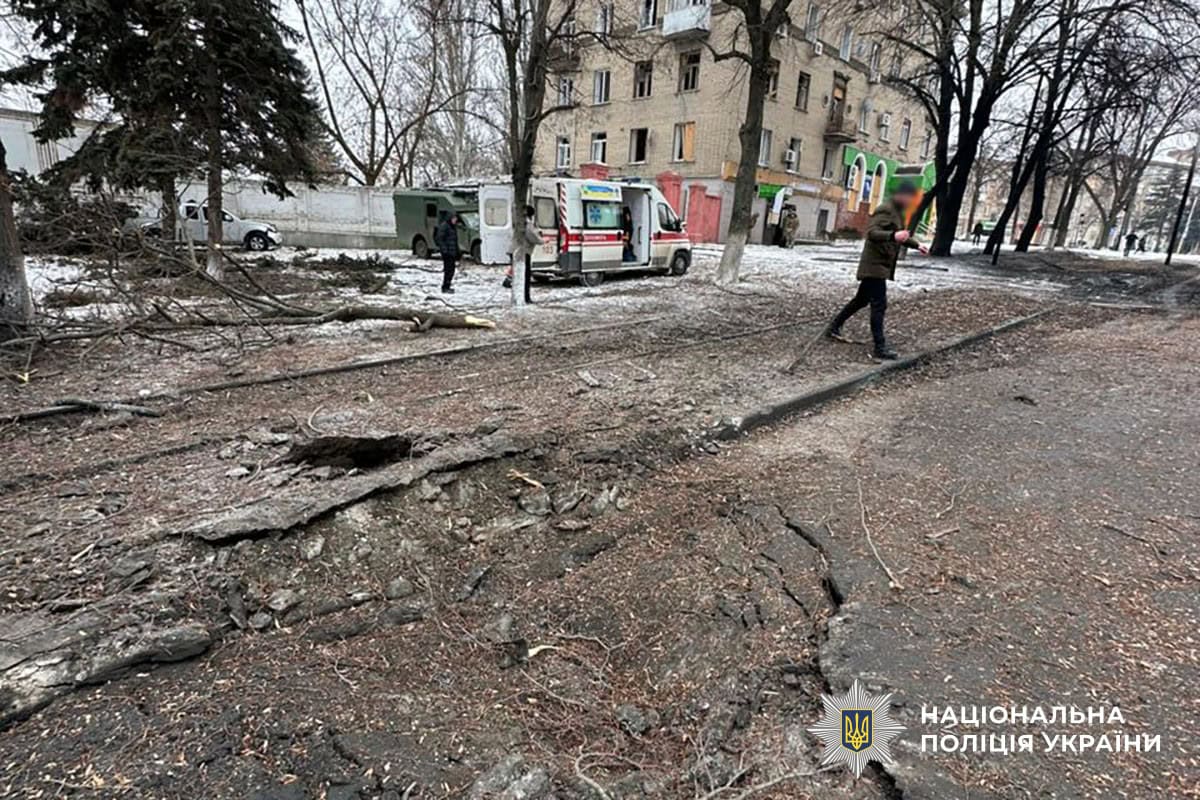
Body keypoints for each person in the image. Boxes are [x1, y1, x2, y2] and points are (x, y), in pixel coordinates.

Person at [825, 181, 927, 360]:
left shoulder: (897, 211)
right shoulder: (886, 209)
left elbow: (899, 234)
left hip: (879, 264)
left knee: (861, 300)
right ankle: (880, 347)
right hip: (874, 265)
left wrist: (917, 245)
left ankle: (834, 326)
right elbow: (872, 233)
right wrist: (892, 236)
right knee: (879, 305)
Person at [513, 204, 543, 304]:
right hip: (524, 252)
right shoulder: (527, 223)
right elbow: (532, 236)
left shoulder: (520, 221)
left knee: (519, 274)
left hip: (517, 250)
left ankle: (520, 296)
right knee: (525, 276)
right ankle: (526, 298)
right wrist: (542, 240)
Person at [435, 213, 461, 293]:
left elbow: (454, 241)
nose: (455, 220)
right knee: (448, 271)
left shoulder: (452, 227)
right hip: (447, 253)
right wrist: (444, 250)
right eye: (454, 219)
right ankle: (445, 287)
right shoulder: (444, 226)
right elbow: (439, 239)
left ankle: (448, 285)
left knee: (451, 271)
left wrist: (457, 252)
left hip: (452, 252)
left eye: (456, 219)